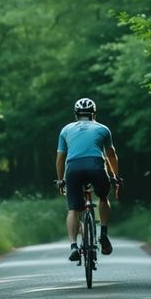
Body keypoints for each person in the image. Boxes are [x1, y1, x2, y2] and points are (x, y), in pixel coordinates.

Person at [55, 97, 121, 261]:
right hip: (96, 167)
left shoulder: (65, 130)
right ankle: (103, 233)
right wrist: (115, 176)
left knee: (73, 210)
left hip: (74, 169)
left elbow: (60, 159)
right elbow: (111, 155)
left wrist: (60, 180)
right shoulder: (103, 129)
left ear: (76, 114)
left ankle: (73, 246)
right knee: (104, 198)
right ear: (94, 114)